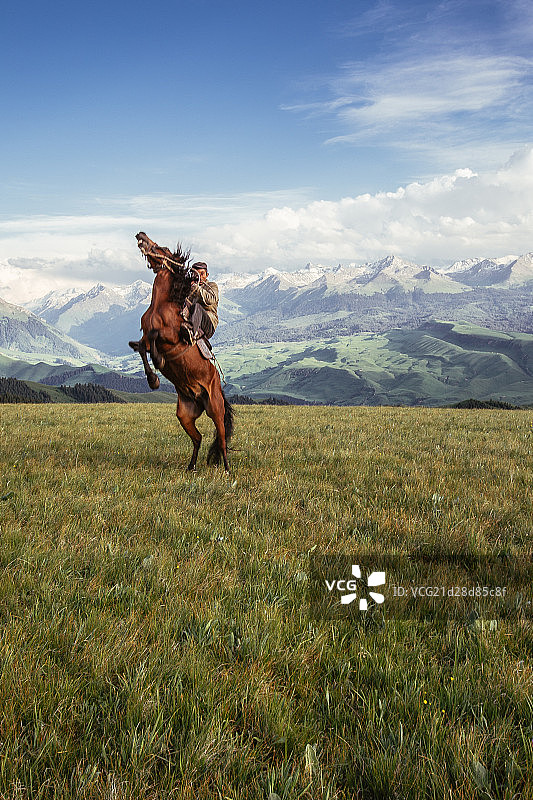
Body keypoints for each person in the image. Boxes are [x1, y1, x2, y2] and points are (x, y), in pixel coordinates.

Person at [180, 261, 219, 345]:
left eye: (202, 274)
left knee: (197, 307)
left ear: (207, 275)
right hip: (191, 319)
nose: (199, 277)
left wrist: (196, 288)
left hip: (208, 323)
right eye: (196, 274)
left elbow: (211, 299)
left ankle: (192, 333)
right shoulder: (190, 287)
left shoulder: (212, 286)